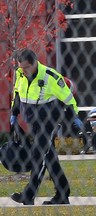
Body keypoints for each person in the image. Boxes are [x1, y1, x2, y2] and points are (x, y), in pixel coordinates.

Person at [9, 49, 83, 205]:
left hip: (48, 121)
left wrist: (74, 116)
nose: (24, 70)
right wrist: (14, 113)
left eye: (27, 67)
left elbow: (68, 98)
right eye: (21, 67)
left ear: (35, 62)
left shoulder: (51, 77)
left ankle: (28, 195)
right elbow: (17, 93)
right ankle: (63, 194)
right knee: (49, 158)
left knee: (39, 155)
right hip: (33, 122)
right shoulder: (20, 74)